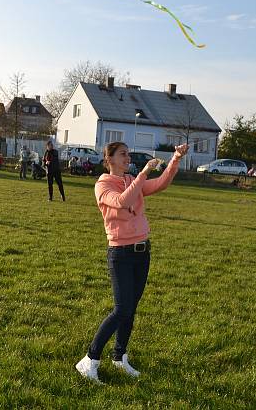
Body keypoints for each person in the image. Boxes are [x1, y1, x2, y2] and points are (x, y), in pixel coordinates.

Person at [75, 142, 189, 383]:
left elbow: (161, 184)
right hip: (121, 254)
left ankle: (119, 358)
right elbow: (122, 202)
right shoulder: (103, 184)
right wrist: (143, 173)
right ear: (110, 159)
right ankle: (89, 359)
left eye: (128, 153)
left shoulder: (130, 180)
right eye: (123, 154)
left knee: (131, 309)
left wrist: (176, 158)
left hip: (142, 252)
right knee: (121, 309)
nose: (128, 157)